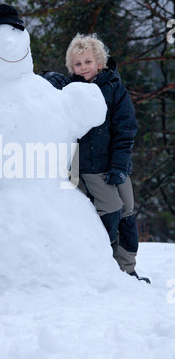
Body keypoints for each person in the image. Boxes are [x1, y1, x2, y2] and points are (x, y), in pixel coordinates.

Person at [42, 33, 150, 283]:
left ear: (99, 63)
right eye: (77, 64)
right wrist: (47, 77)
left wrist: (119, 167)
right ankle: (101, 265)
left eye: (88, 62)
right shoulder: (69, 89)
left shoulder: (114, 89)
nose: (83, 68)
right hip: (87, 166)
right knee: (111, 209)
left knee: (128, 210)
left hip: (113, 162)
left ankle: (127, 269)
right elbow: (34, 89)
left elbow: (126, 130)